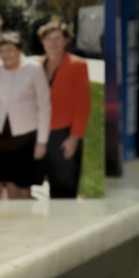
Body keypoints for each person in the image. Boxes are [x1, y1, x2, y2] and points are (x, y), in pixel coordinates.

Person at [0, 32, 51, 200]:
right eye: (2, 50)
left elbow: (44, 106)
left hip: (27, 135)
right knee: (9, 182)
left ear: (20, 50)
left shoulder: (34, 69)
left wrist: (42, 141)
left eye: (10, 50)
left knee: (25, 184)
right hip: (2, 134)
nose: (6, 54)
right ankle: (16, 221)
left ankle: (28, 222)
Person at [37, 17, 90, 199]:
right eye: (49, 39)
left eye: (58, 38)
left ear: (66, 40)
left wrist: (74, 138)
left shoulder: (77, 65)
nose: (53, 43)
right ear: (42, 41)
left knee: (64, 190)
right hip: (39, 133)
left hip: (63, 135)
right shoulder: (36, 65)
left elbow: (83, 105)